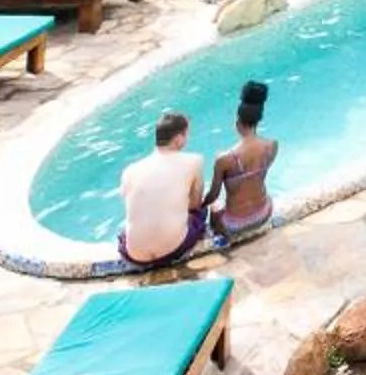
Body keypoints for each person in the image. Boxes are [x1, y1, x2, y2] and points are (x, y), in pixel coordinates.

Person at [117, 109, 208, 267]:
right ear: (179, 139)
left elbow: (128, 201)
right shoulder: (194, 161)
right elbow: (194, 205)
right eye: (187, 134)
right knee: (202, 209)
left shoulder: (130, 170)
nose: (187, 138)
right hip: (173, 249)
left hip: (134, 255)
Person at [208, 81, 277, 241]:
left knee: (214, 207)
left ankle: (219, 239)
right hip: (265, 213)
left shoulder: (224, 159)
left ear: (237, 123)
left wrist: (199, 204)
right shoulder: (272, 146)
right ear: (258, 121)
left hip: (235, 225)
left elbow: (213, 195)